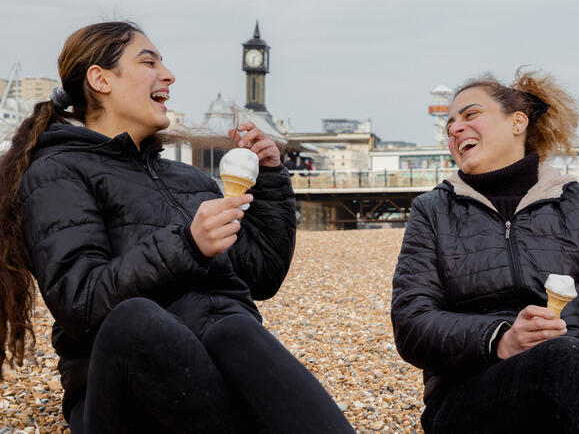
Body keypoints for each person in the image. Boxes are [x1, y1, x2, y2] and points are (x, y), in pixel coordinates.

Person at [0, 21, 354, 433]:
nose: (168, 75)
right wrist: (187, 245)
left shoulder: (189, 180)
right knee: (137, 320)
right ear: (100, 80)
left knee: (233, 326)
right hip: (125, 392)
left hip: (219, 373)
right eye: (148, 62)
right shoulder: (57, 173)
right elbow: (79, 300)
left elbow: (262, 274)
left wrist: (272, 178)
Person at [391, 68, 579, 433]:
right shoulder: (432, 210)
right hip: (469, 397)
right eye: (450, 125)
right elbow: (412, 323)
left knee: (568, 361)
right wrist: (500, 339)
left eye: (470, 115)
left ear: (518, 122)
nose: (455, 129)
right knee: (556, 357)